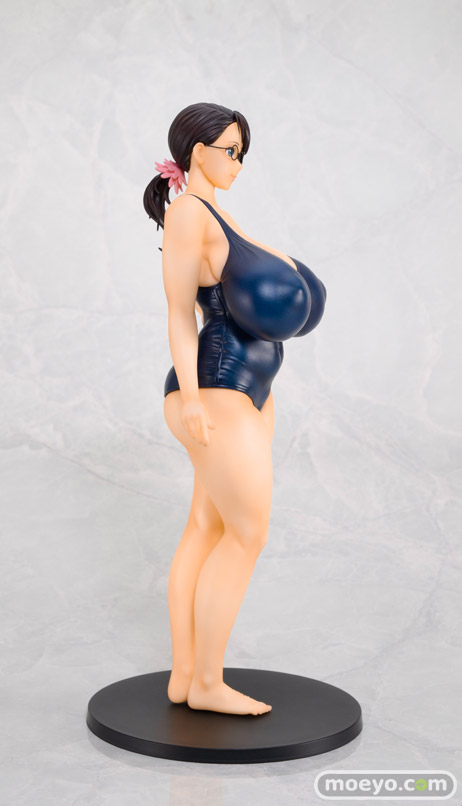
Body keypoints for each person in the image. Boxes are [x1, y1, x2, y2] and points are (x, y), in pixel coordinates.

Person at [143, 102, 326, 716]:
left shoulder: (216, 212)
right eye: (229, 151)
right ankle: (207, 684)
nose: (238, 164)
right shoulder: (188, 213)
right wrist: (194, 401)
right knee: (247, 534)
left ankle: (185, 678)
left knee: (208, 527)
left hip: (248, 390)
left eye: (242, 153)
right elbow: (178, 312)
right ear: (197, 151)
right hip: (216, 390)